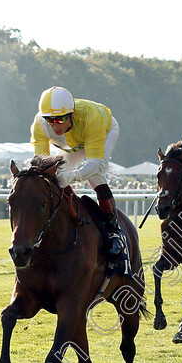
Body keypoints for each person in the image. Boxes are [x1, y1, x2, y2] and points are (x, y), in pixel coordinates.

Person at [30, 86, 127, 266]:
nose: (55, 125)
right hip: (72, 143)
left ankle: (114, 232)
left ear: (72, 114)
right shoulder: (40, 125)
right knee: (55, 175)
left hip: (103, 131)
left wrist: (73, 177)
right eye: (50, 119)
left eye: (59, 119)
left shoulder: (92, 118)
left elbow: (96, 165)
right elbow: (42, 165)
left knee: (95, 176)